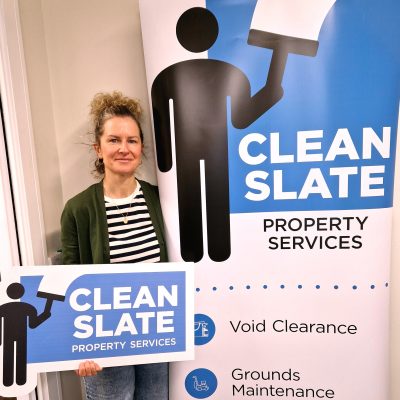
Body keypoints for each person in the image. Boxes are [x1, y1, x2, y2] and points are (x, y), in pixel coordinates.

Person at [61, 91, 168, 400]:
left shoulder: (162, 200)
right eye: (114, 140)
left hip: (155, 337)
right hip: (102, 343)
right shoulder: (78, 209)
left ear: (142, 147)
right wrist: (78, 347)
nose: (124, 148)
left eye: (132, 140)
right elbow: (70, 281)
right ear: (98, 148)